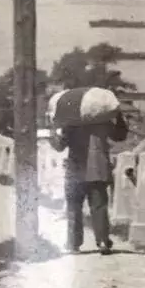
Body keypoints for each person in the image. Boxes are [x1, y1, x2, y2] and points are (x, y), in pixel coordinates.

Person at [49, 105, 129, 254]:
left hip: (76, 171)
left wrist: (52, 130)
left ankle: (74, 244)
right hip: (98, 170)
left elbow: (59, 146)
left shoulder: (71, 124)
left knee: (74, 207)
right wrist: (119, 117)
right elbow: (120, 136)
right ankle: (103, 242)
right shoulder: (103, 123)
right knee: (99, 207)